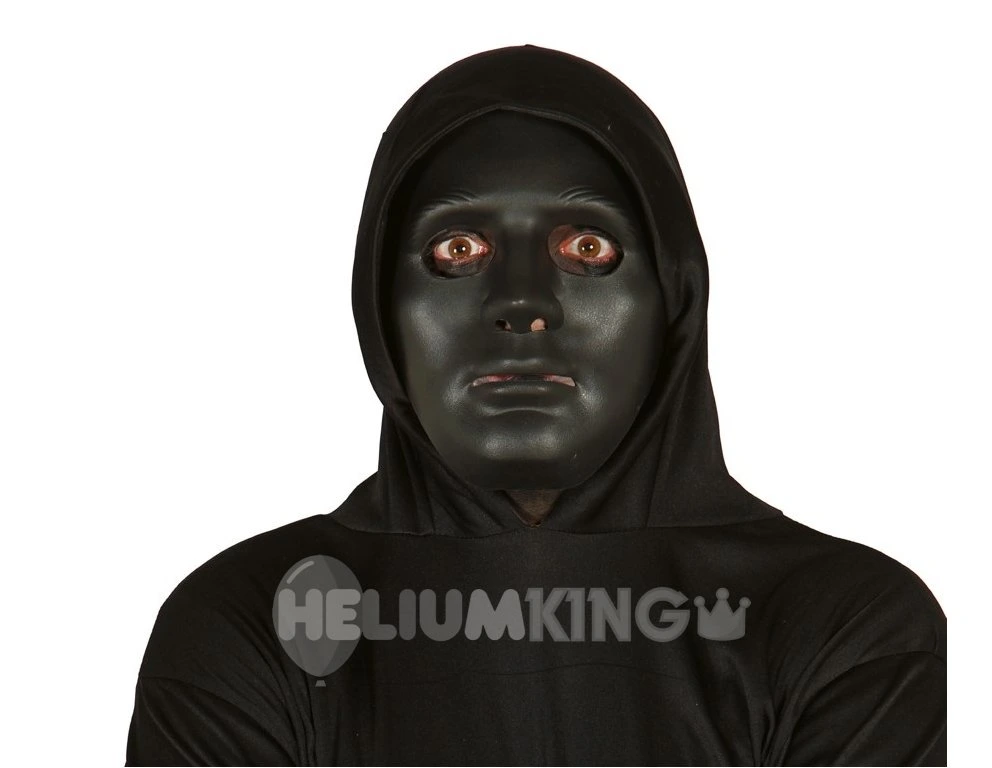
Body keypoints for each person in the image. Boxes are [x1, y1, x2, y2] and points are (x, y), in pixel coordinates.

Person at [126, 45, 946, 765]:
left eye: (587, 247)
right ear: (380, 304)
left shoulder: (844, 625)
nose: (522, 304)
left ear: (674, 297)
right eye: (458, 249)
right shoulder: (250, 624)